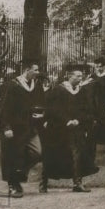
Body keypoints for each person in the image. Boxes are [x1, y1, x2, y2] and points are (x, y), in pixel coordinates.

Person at [40, 64, 98, 193]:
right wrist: (66, 121)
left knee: (77, 154)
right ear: (70, 76)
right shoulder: (58, 90)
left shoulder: (82, 91)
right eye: (78, 76)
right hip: (59, 128)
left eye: (81, 76)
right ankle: (43, 182)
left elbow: (86, 110)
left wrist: (78, 120)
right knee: (52, 155)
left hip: (76, 129)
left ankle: (77, 183)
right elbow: (53, 109)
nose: (80, 78)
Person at [0, 61, 45, 198]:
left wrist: (41, 114)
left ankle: (20, 173)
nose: (37, 73)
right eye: (35, 70)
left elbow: (40, 103)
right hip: (15, 128)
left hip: (30, 127)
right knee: (13, 156)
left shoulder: (36, 85)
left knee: (37, 152)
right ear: (26, 69)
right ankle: (13, 185)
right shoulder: (12, 85)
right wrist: (6, 127)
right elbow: (4, 108)